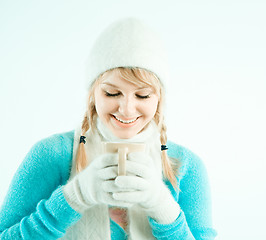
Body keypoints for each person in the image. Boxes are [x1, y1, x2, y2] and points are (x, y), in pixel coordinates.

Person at [0, 18, 217, 239]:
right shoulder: (52, 154)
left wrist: (162, 205)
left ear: (159, 99)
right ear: (93, 95)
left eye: (142, 95)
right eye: (112, 93)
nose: (126, 109)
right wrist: (73, 197)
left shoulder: (187, 166)